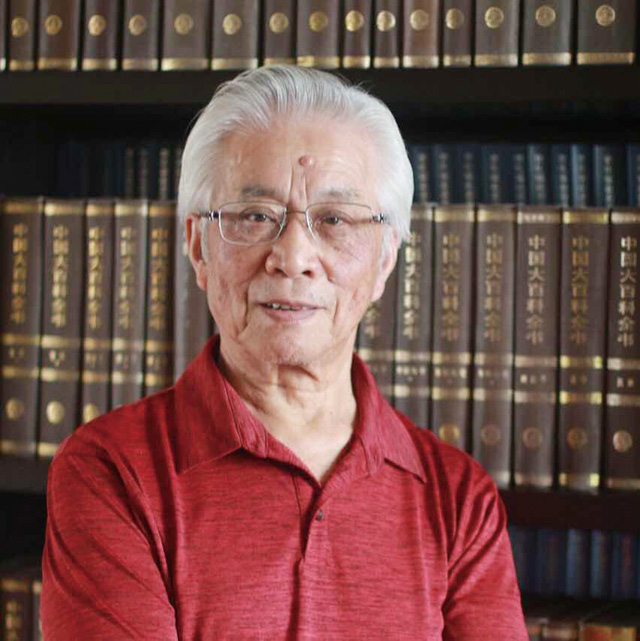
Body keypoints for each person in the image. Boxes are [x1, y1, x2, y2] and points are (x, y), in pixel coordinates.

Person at [41, 65, 527, 640]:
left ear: (385, 260)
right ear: (198, 247)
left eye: (335, 220)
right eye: (255, 217)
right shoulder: (111, 472)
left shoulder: (459, 498)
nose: (293, 257)